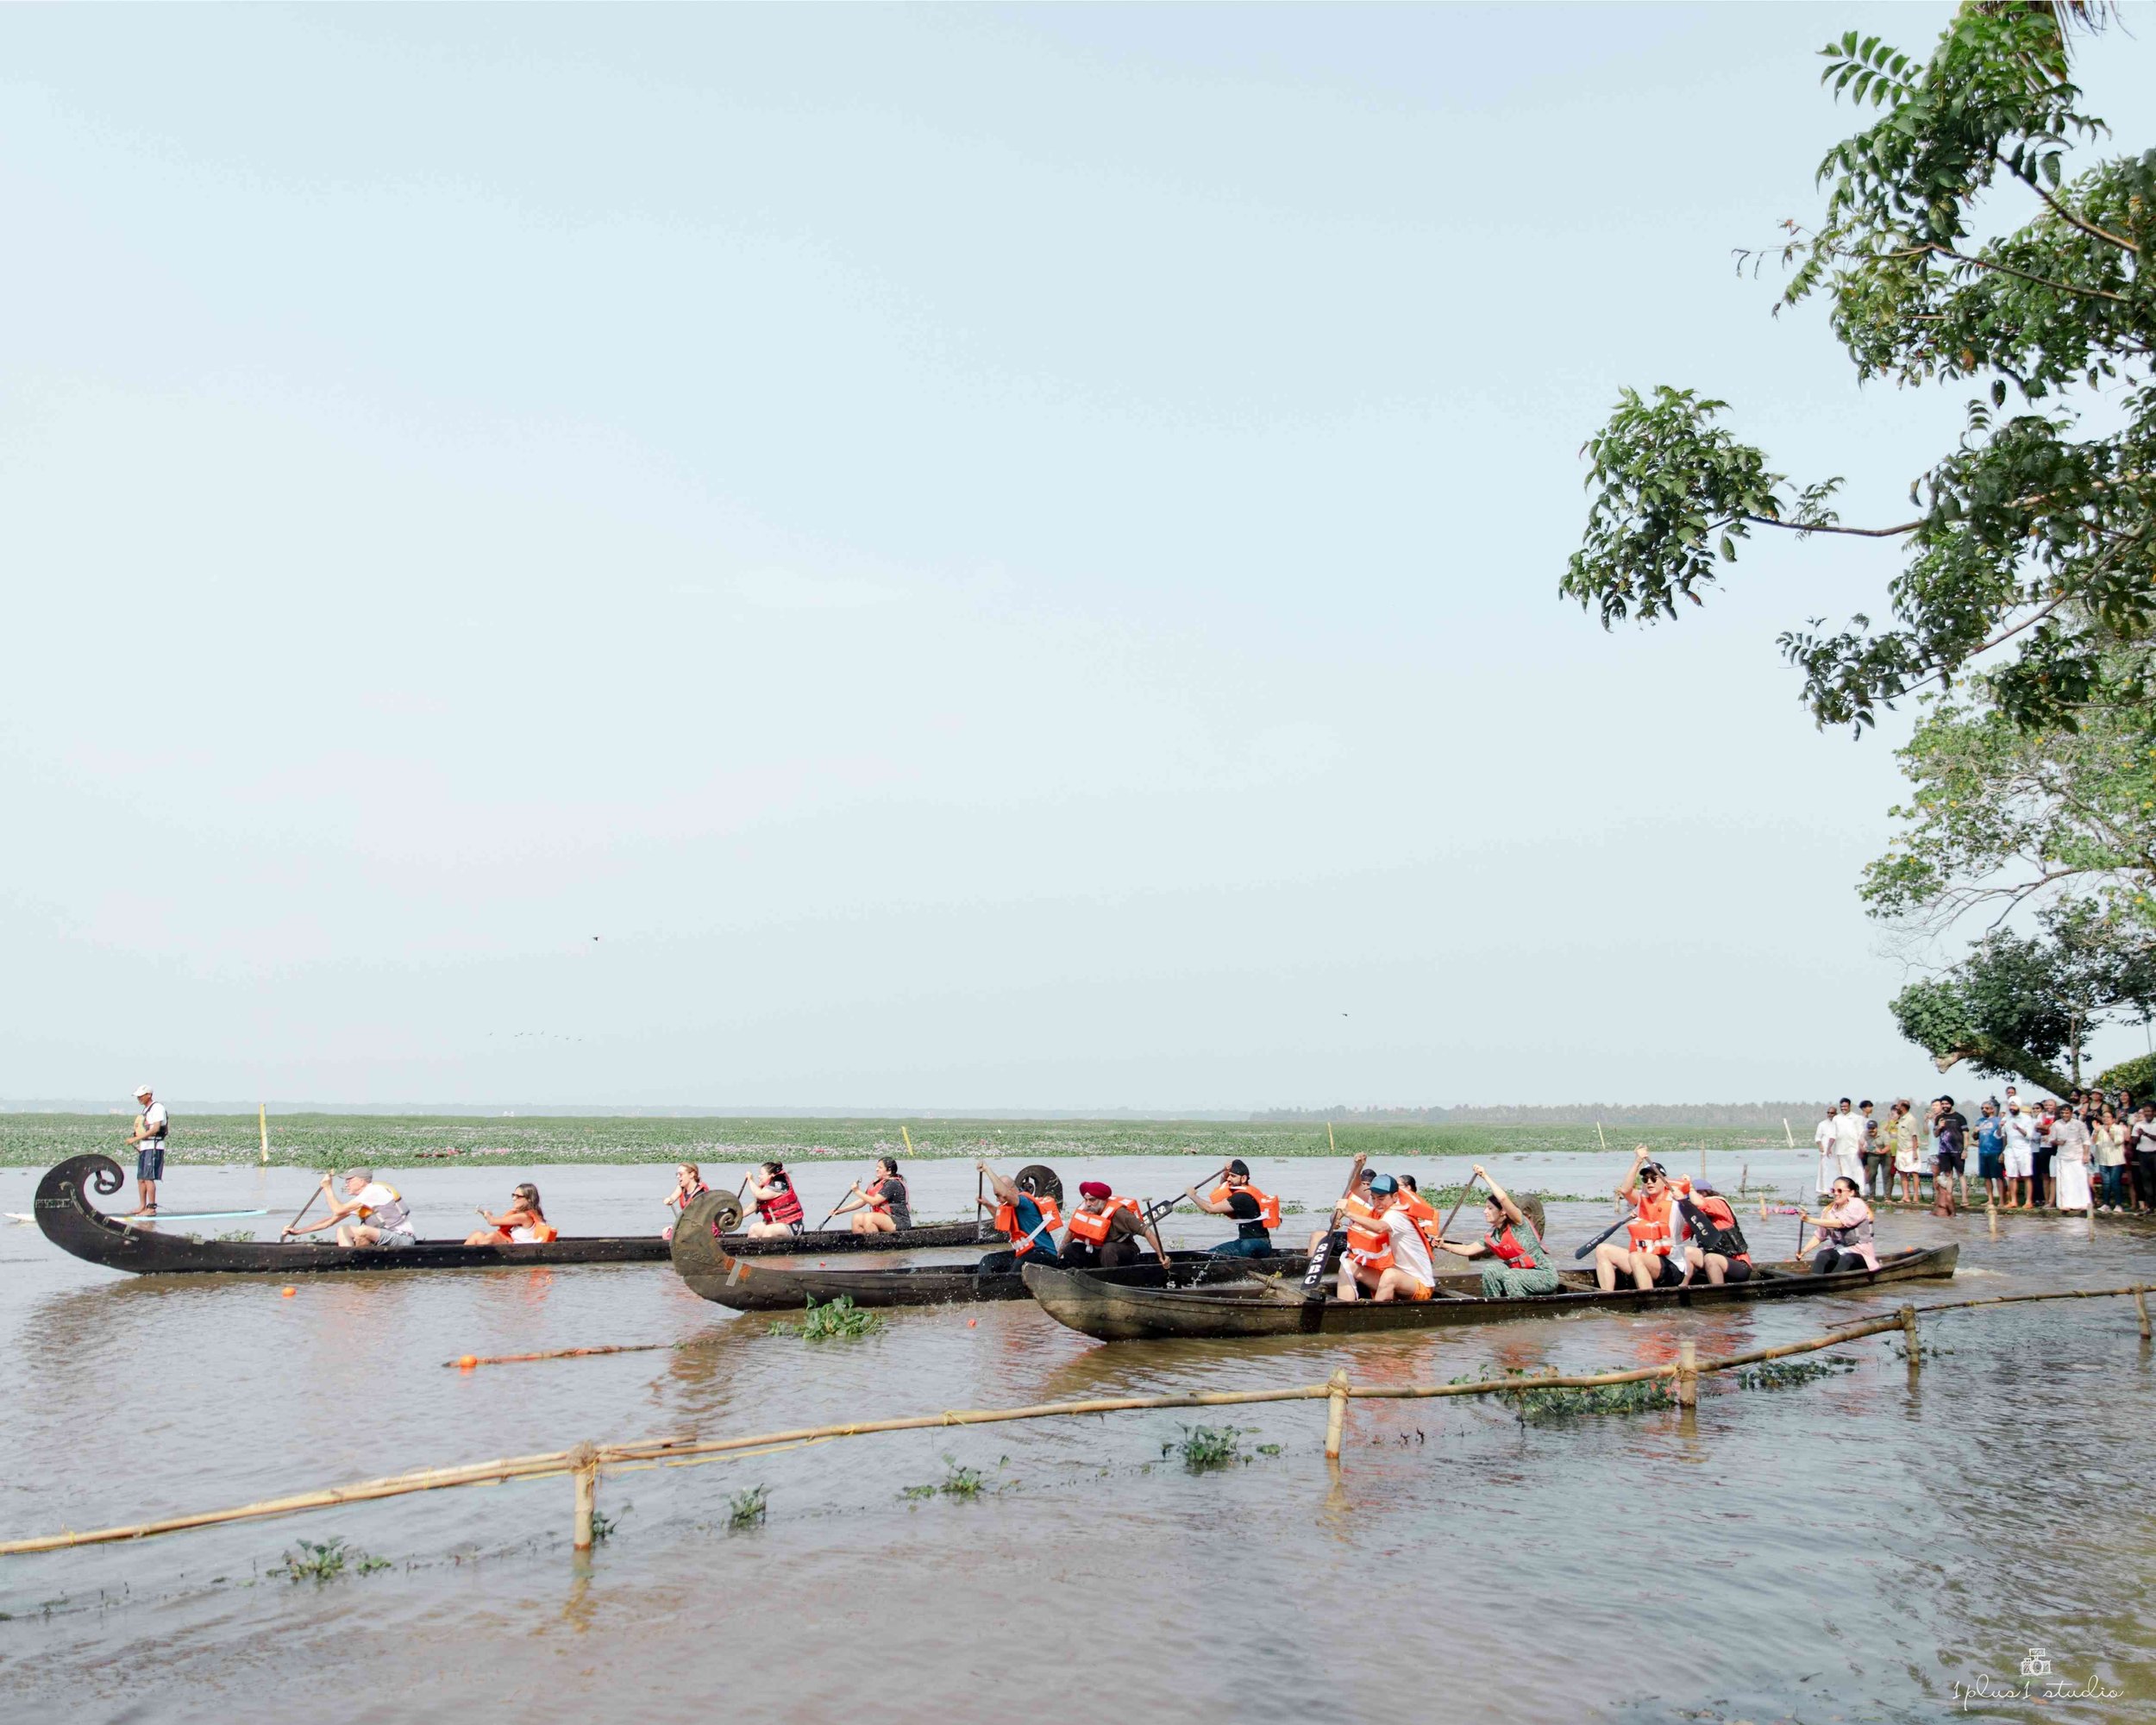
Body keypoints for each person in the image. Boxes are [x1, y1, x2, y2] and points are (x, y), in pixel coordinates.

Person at [1432, 1164, 1559, 1297]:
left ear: (1503, 1212)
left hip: (1543, 1275)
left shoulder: (1517, 1223)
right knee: (1491, 1269)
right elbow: (1467, 1250)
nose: (1485, 1212)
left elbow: (1503, 1199)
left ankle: (1518, 1311)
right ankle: (1494, 1303)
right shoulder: (1493, 1236)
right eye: (1485, 1208)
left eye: (1490, 1208)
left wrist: (1484, 1176)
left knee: (1512, 1275)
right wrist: (1443, 1245)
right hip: (1518, 1273)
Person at [1592, 1148, 1692, 1293]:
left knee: (1636, 1257)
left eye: (1654, 1178)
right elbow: (1625, 1190)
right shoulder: (1642, 1200)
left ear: (1664, 1181)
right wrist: (1638, 1160)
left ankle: (1648, 1300)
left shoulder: (1677, 1202)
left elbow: (1699, 1209)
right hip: (1642, 1261)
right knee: (1603, 1250)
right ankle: (1607, 1296)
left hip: (1672, 1267)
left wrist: (1688, 1193)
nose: (1649, 1182)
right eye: (1645, 1179)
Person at [1334, 1165, 1434, 1303]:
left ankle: (1372, 1316)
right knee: (1348, 1264)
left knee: (1390, 1275)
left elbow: (1380, 1227)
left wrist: (1348, 1213)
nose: (1376, 1203)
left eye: (1380, 1198)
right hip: (1397, 1279)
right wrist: (1358, 1166)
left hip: (1419, 1285)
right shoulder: (1382, 1202)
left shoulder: (1397, 1214)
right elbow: (1356, 1187)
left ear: (1395, 1196)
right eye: (1373, 1198)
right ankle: (1343, 1310)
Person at [285, 1170, 416, 1249]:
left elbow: (338, 1210)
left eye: (349, 1180)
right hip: (382, 1237)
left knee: (362, 1230)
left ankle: (360, 1261)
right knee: (343, 1229)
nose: (346, 1184)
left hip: (402, 1239)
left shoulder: (373, 1191)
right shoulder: (361, 1200)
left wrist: (328, 1188)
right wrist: (299, 1231)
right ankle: (348, 1259)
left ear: (362, 1181)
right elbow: (330, 1221)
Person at [975, 1163, 1062, 1274]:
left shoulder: (1024, 1201)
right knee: (988, 1261)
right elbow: (999, 1218)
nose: (997, 1200)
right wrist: (987, 1204)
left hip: (1044, 1254)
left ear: (1010, 1190)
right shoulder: (1011, 1206)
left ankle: (1008, 1287)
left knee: (1020, 1263)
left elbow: (1005, 1194)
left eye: (997, 1195)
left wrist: (987, 1170)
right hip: (1026, 1253)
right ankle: (984, 1285)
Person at [1059, 1182, 1166, 1270]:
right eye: (1086, 1199)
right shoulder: (1085, 1209)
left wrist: (1162, 1256)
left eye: (1092, 1200)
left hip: (1123, 1252)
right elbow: (1071, 1232)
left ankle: (1111, 1281)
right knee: (1070, 1249)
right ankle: (1078, 1277)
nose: (1088, 1203)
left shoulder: (1120, 1213)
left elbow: (1147, 1231)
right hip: (1097, 1251)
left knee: (1108, 1249)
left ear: (1103, 1200)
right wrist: (1059, 1255)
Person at [1186, 1159, 1280, 1258]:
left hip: (1250, 1244)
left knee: (1210, 1255)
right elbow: (1224, 1187)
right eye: (1229, 1175)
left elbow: (1210, 1209)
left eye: (1233, 1176)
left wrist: (1193, 1196)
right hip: (1264, 1244)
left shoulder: (1241, 1197)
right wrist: (1225, 1173)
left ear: (1243, 1178)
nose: (1229, 1179)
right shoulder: (1248, 1191)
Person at [1676, 1180, 1753, 1285]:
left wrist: (1690, 1187)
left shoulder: (1718, 1203)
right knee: (1687, 1251)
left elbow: (1700, 1203)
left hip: (1738, 1265)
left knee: (1710, 1258)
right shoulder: (1696, 1218)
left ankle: (1718, 1292)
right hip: (1711, 1264)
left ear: (1705, 1193)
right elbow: (1677, 1236)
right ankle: (1683, 1287)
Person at [1799, 1176, 1878, 1274]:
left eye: (1840, 1191)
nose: (1836, 1193)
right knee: (1823, 1255)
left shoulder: (1857, 1204)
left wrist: (1809, 1219)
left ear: (1851, 1193)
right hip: (1841, 1250)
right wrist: (1803, 1251)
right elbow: (1820, 1235)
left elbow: (1840, 1223)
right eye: (1833, 1190)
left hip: (1860, 1253)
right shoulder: (1829, 1210)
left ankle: (1831, 1282)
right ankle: (1814, 1281)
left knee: (1847, 1258)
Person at [120, 1084, 169, 1217]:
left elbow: (155, 1128)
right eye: (138, 1097)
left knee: (148, 1178)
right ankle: (142, 1206)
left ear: (149, 1095)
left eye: (141, 1096)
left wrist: (135, 1139)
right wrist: (137, 1136)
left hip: (154, 1146)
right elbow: (144, 1127)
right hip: (145, 1146)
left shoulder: (157, 1107)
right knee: (141, 1178)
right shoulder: (145, 1110)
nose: (139, 1099)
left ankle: (151, 1208)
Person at [832, 1157, 911, 1234]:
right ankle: (862, 1245)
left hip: (898, 1221)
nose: (876, 1169)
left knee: (869, 1217)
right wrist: (841, 1210)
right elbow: (863, 1201)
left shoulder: (893, 1183)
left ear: (889, 1171)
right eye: (877, 1167)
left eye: (880, 1167)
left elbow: (874, 1202)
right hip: (883, 1219)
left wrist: (856, 1191)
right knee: (857, 1218)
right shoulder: (878, 1183)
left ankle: (875, 1244)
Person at [466, 1182, 556, 1245]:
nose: (514, 1199)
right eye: (514, 1196)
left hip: (520, 1250)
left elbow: (492, 1222)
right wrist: (487, 1216)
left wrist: (488, 1215)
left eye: (518, 1197)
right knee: (477, 1234)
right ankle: (464, 1255)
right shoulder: (521, 1214)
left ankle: (474, 1257)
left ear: (529, 1199)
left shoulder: (524, 1216)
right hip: (513, 1245)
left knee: (493, 1235)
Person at [2052, 1102, 2093, 1214]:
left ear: (2071, 1113)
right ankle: (2065, 1204)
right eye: (2062, 1113)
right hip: (2063, 1156)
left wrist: (2085, 1155)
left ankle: (2083, 1204)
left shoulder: (2079, 1124)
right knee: (2065, 1181)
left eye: (2067, 1113)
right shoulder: (2056, 1124)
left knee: (2080, 1180)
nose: (2064, 1115)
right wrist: (2058, 1142)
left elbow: (2086, 1140)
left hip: (2077, 1156)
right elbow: (2052, 1140)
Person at [743, 1162, 805, 1238]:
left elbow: (759, 1194)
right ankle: (752, 1249)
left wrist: (750, 1180)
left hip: (792, 1225)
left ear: (771, 1175)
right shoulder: (766, 1189)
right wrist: (738, 1216)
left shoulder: (780, 1185)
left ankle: (767, 1249)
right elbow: (754, 1206)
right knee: (754, 1229)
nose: (759, 1176)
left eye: (762, 1174)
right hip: (774, 1224)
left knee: (769, 1231)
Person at [1931, 1095, 1966, 1214]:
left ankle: (1964, 1199)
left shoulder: (1959, 1117)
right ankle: (1948, 1197)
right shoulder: (1939, 1118)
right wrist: (1939, 1127)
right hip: (1944, 1151)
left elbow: (1966, 1134)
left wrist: (1965, 1149)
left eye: (1947, 1104)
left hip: (1958, 1150)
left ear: (1951, 1104)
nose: (1945, 1106)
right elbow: (1935, 1134)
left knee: (1960, 1174)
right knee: (1948, 1175)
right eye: (1943, 1104)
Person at [2091, 1104, 2128, 1214]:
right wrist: (2097, 1131)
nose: (2106, 1119)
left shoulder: (2118, 1128)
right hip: (2103, 1159)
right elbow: (2094, 1142)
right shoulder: (2099, 1128)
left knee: (2115, 1182)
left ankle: (2118, 1204)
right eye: (2104, 1117)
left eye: (2108, 1117)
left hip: (2116, 1160)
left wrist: (2107, 1131)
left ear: (2113, 1119)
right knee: (2105, 1183)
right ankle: (2106, 1204)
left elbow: (2118, 1141)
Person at [2002, 1100, 2038, 1209]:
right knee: (2012, 1176)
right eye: (2010, 1106)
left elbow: (2030, 1136)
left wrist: (2018, 1128)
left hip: (2024, 1149)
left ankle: (2028, 1201)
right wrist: (2000, 1127)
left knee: (2026, 1175)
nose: (2012, 1108)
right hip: (2010, 1150)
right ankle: (2013, 1201)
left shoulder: (2027, 1119)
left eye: (2014, 1105)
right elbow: (2001, 1135)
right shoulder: (2006, 1118)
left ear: (2019, 1106)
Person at [1974, 1101, 2008, 1208]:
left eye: (1987, 1108)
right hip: (1983, 1152)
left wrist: (2003, 1152)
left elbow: (2004, 1138)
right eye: (1982, 1108)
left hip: (1995, 1151)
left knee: (1999, 1177)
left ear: (1993, 1109)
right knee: (1986, 1177)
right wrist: (1975, 1132)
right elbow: (1975, 1137)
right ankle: (1990, 1199)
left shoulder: (1998, 1121)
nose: (1984, 1110)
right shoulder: (1979, 1121)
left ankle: (2002, 1201)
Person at [662, 1164, 709, 1242]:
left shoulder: (700, 1193)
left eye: (681, 1174)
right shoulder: (682, 1187)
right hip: (690, 1225)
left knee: (670, 1234)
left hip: (703, 1227)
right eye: (677, 1174)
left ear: (691, 1174)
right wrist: (670, 1200)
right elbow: (673, 1197)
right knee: (665, 1232)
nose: (678, 1177)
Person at [1889, 1100, 1922, 1204]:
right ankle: (1905, 1196)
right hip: (1901, 1150)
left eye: (1898, 1105)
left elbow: (1914, 1136)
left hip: (1910, 1150)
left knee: (1914, 1172)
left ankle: (1915, 1197)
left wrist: (1915, 1152)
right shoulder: (1900, 1119)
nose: (1897, 1107)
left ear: (1903, 1107)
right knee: (1902, 1172)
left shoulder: (1911, 1119)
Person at [1860, 1100, 1890, 1200]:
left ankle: (1887, 1197)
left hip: (1885, 1154)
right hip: (1872, 1154)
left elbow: (1888, 1147)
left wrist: (1881, 1151)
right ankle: (1872, 1196)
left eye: (1873, 1129)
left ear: (1877, 1128)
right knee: (1872, 1174)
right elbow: (1862, 1145)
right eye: (1870, 1128)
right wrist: (1871, 1148)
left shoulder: (1884, 1134)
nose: (1871, 1131)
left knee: (1886, 1175)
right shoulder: (1865, 1133)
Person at [1814, 1106, 1841, 1200]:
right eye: (1828, 1113)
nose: (1830, 1115)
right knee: (1825, 1172)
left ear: (1836, 1114)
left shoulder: (1838, 1123)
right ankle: (1825, 1191)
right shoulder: (1822, 1124)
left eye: (1832, 1113)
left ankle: (1835, 1190)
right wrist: (1820, 1146)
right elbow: (1817, 1137)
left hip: (1836, 1151)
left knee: (1836, 1171)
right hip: (1825, 1151)